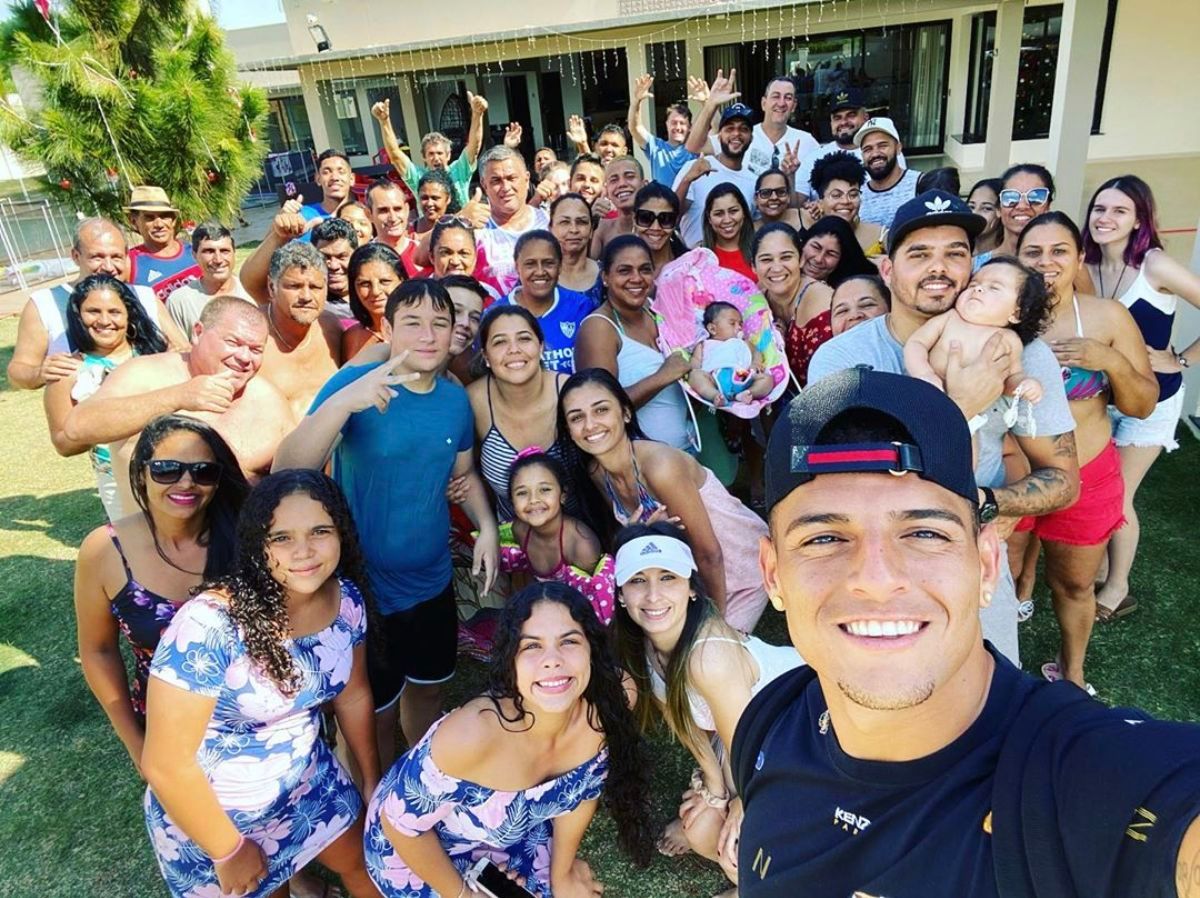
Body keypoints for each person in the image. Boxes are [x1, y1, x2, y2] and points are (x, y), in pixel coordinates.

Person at [729, 366, 1200, 897]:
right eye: (823, 539)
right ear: (773, 575)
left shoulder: (1081, 776)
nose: (876, 580)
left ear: (987, 565)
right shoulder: (770, 724)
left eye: (924, 532)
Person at [808, 190, 1081, 665]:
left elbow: (1063, 480)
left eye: (955, 253)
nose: (939, 268)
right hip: (870, 570)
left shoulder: (1021, 353)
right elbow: (831, 488)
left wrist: (988, 504)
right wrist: (962, 405)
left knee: (989, 693)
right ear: (887, 270)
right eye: (919, 254)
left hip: (973, 560)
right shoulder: (842, 360)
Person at [274, 279, 499, 764]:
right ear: (389, 330)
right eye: (412, 323)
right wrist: (343, 403)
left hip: (432, 582)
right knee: (372, 713)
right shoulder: (355, 385)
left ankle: (420, 775)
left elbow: (463, 476)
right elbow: (286, 470)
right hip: (364, 590)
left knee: (430, 690)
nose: (428, 335)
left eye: (440, 323)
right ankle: (369, 789)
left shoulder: (454, 401)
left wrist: (486, 528)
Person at [141, 469, 382, 898]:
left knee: (370, 867)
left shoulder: (346, 599)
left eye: (320, 531)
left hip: (309, 781)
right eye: (281, 537)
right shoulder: (208, 626)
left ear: (342, 533)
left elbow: (354, 695)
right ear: (257, 544)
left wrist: (369, 779)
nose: (304, 552)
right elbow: (165, 763)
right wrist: (227, 850)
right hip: (218, 815)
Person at [363, 582, 652, 898]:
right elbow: (402, 827)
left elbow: (582, 791)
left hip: (507, 838)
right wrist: (464, 895)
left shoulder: (613, 697)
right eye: (531, 646)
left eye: (569, 641)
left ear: (592, 650)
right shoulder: (470, 737)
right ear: (509, 661)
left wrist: (563, 873)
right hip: (417, 847)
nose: (552, 660)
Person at [1012, 212, 1157, 691]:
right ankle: (997, 669)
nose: (1046, 262)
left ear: (1078, 258)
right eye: (1033, 252)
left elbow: (1142, 404)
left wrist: (1108, 360)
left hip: (1086, 474)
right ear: (1018, 257)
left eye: (1059, 251)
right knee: (996, 581)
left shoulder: (1107, 317)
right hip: (1012, 476)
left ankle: (1072, 673)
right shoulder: (995, 313)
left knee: (1074, 585)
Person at [612, 522, 800, 880]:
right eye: (637, 580)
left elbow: (745, 743)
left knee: (740, 847)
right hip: (747, 735)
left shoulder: (708, 657)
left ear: (691, 588)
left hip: (793, 727)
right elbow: (683, 721)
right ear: (621, 594)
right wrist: (713, 788)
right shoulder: (646, 647)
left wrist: (742, 803)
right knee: (702, 830)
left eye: (668, 577)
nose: (653, 596)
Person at [74, 416, 247, 769]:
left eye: (203, 471)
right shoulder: (104, 550)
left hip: (260, 724)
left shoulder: (245, 539)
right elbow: (98, 650)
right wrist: (135, 743)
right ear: (141, 473)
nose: (186, 482)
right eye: (167, 470)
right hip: (169, 735)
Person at [559, 368, 769, 632]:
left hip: (742, 569)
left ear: (625, 413)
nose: (590, 425)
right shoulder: (598, 473)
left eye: (601, 410)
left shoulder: (660, 467)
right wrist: (637, 534)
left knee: (705, 654)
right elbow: (626, 543)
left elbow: (710, 554)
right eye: (577, 417)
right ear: (568, 429)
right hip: (686, 579)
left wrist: (710, 624)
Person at [1080, 176, 1200, 621]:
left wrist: (1181, 359)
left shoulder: (1156, 266)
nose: (1105, 218)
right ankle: (1100, 568)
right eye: (1099, 208)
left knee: (1118, 495)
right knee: (1095, 487)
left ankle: (1117, 587)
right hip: (1101, 398)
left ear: (1138, 220)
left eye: (1119, 211)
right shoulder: (1086, 265)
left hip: (1153, 401)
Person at [63, 297, 293, 518]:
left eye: (255, 350)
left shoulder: (267, 398)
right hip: (153, 539)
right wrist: (178, 397)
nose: (244, 357)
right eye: (233, 343)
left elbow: (299, 469)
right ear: (198, 332)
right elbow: (77, 427)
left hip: (243, 535)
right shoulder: (144, 375)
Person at [44, 275, 170, 520]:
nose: (104, 321)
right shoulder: (66, 372)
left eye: (114, 312)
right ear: (77, 315)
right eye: (93, 311)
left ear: (129, 314)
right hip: (117, 479)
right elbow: (63, 443)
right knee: (139, 540)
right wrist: (106, 422)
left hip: (177, 468)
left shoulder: (157, 355)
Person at [7, 217, 184, 390]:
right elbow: (18, 369)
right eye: (97, 257)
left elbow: (182, 348)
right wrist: (38, 373)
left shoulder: (145, 297)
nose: (108, 266)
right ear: (76, 256)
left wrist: (174, 355)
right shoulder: (45, 303)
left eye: (116, 257)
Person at [576, 236, 694, 451]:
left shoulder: (655, 308)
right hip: (639, 463)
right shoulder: (598, 328)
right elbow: (598, 408)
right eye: (624, 271)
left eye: (645, 269)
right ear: (605, 277)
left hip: (686, 451)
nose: (637, 278)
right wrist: (662, 376)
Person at [469, 305, 575, 522]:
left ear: (541, 347)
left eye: (524, 338)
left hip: (584, 531)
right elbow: (465, 473)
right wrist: (487, 528)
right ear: (485, 356)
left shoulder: (571, 393)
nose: (513, 349)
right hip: (512, 536)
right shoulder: (474, 401)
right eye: (500, 342)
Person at [904, 257, 1052, 407]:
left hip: (975, 412)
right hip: (925, 393)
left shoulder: (1009, 339)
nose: (978, 289)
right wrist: (924, 373)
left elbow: (1010, 379)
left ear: (1016, 314)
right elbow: (916, 343)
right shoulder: (949, 318)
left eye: (994, 288)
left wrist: (1023, 385)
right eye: (973, 284)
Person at [499, 450, 614, 624]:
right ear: (512, 501)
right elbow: (526, 578)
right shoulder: (520, 530)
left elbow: (596, 608)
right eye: (522, 493)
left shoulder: (581, 545)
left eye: (544, 489)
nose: (533, 500)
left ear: (563, 495)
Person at [258, 241, 344, 420]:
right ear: (272, 287)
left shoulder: (332, 328)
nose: (306, 296)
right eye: (294, 286)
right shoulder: (252, 333)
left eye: (315, 287)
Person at [240, 206, 360, 323]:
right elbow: (251, 282)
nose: (334, 265)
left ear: (356, 255)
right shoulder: (304, 301)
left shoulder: (368, 291)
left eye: (342, 257)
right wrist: (279, 237)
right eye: (325, 257)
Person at [498, 230, 594, 374]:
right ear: (517, 267)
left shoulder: (581, 307)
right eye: (530, 264)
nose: (540, 272)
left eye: (548, 263)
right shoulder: (496, 314)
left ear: (560, 266)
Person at [752, 222, 833, 387]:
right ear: (753, 267)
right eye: (766, 259)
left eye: (786, 257)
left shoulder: (820, 301)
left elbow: (831, 378)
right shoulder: (756, 297)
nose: (776, 268)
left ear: (801, 259)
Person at [371, 93, 488, 208]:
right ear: (424, 157)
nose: (436, 158)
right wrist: (384, 121)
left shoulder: (459, 170)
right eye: (431, 154)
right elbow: (395, 156)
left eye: (440, 153)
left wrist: (477, 115)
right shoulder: (418, 177)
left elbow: (474, 146)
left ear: (448, 155)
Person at [674, 96, 759, 249]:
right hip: (694, 258)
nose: (736, 134)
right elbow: (672, 217)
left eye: (743, 129)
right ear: (719, 136)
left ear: (751, 138)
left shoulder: (754, 181)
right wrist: (687, 180)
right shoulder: (695, 167)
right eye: (730, 128)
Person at [473, 146, 551, 298]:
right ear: (484, 185)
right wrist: (459, 220)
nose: (506, 187)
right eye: (496, 181)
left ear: (526, 179)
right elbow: (425, 256)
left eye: (511, 178)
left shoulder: (550, 222)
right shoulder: (476, 231)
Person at [165, 223, 253, 336]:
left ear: (234, 252)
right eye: (209, 251)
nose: (218, 260)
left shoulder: (251, 290)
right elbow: (178, 345)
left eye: (224, 251)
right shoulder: (179, 301)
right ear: (194, 255)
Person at [794, 86, 877, 199]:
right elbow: (796, 203)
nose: (843, 122)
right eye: (837, 118)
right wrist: (790, 176)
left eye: (851, 115)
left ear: (865, 118)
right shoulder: (814, 157)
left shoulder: (881, 154)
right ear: (831, 122)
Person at [688, 301, 774, 407]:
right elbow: (696, 360)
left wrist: (755, 363)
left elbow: (756, 353)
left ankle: (749, 393)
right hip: (714, 380)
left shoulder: (743, 342)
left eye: (740, 324)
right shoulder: (704, 344)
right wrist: (694, 370)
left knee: (768, 379)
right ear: (713, 329)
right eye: (732, 323)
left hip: (743, 377)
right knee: (695, 376)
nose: (739, 328)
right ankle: (715, 395)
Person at [125, 185, 201, 301]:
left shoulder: (196, 252)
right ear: (134, 222)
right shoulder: (129, 263)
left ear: (173, 220)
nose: (159, 224)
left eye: (164, 216)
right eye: (150, 218)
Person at [807, 151, 884, 256]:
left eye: (853, 194)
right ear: (820, 203)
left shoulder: (880, 237)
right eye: (836, 195)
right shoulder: (809, 239)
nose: (846, 201)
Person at [627, 73, 698, 187]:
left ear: (690, 127)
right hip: (661, 199)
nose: (678, 127)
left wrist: (708, 101)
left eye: (682, 123)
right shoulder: (656, 147)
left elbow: (716, 132)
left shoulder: (696, 149)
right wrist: (636, 101)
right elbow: (635, 128)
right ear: (666, 124)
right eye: (674, 123)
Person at [342, 243, 408, 361]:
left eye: (384, 281)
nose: (375, 291)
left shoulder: (422, 331)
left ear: (401, 281)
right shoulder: (351, 338)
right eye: (365, 284)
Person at [979, 163, 1055, 263]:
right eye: (1011, 197)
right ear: (998, 209)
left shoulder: (1056, 266)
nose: (1022, 206)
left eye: (1035, 197)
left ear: (1048, 207)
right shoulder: (974, 267)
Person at [854, 117, 920, 228]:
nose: (875, 154)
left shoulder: (920, 184)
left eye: (882, 146)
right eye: (868, 149)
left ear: (898, 148)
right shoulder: (856, 195)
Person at [551, 193, 603, 305]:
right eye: (564, 222)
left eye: (581, 222)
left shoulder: (607, 275)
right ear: (551, 229)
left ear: (591, 230)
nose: (574, 230)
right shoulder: (539, 274)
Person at [365, 178, 422, 277]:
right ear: (369, 215)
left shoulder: (423, 254)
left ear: (407, 210)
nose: (393, 218)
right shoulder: (364, 258)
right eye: (383, 210)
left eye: (397, 209)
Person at [591, 157, 646, 258]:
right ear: (606, 190)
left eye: (629, 177)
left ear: (644, 184)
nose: (622, 184)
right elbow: (585, 263)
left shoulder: (657, 226)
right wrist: (590, 222)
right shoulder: (602, 229)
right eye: (614, 180)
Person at [632, 182, 687, 278]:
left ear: (676, 221)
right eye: (646, 218)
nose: (656, 228)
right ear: (634, 218)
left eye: (665, 219)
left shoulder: (693, 264)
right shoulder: (620, 265)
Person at [703, 183, 756, 281]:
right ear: (709, 218)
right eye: (719, 214)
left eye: (733, 211)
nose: (727, 220)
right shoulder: (699, 256)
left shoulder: (761, 249)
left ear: (744, 212)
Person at [441, 274, 486, 385]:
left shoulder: (456, 386)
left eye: (475, 318)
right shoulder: (400, 369)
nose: (466, 323)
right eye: (456, 311)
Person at [299, 149, 355, 232]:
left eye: (341, 172)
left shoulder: (364, 215)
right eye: (326, 172)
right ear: (318, 179)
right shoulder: (303, 216)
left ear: (351, 179)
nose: (334, 177)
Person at [414, 168, 459, 236]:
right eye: (424, 198)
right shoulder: (408, 231)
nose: (429, 203)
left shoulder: (459, 230)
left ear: (448, 199)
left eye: (435, 198)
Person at [967, 177, 1004, 254]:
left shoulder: (1008, 257)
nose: (975, 213)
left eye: (987, 208)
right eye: (971, 207)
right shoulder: (959, 251)